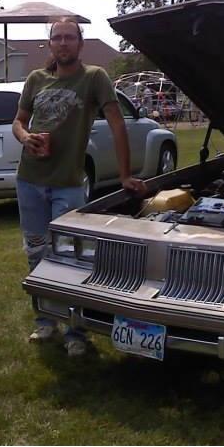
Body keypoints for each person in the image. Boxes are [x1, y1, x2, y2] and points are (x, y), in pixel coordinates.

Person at [12, 18, 148, 356]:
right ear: (50, 44)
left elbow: (118, 126)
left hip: (69, 184)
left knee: (72, 257)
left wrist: (125, 175)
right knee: (36, 252)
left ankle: (76, 330)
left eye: (69, 37)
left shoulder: (94, 78)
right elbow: (18, 121)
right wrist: (26, 137)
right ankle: (45, 321)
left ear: (80, 43)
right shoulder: (35, 79)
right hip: (29, 180)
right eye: (56, 38)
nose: (63, 43)